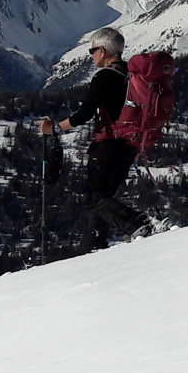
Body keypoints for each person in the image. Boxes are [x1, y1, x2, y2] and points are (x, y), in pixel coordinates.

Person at [41, 26, 146, 248]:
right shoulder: (131, 75)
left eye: (92, 51)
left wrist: (56, 129)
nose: (91, 56)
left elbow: (85, 113)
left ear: (104, 51)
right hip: (129, 146)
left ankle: (139, 225)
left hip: (109, 144)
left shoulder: (105, 76)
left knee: (96, 197)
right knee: (100, 198)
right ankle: (93, 247)